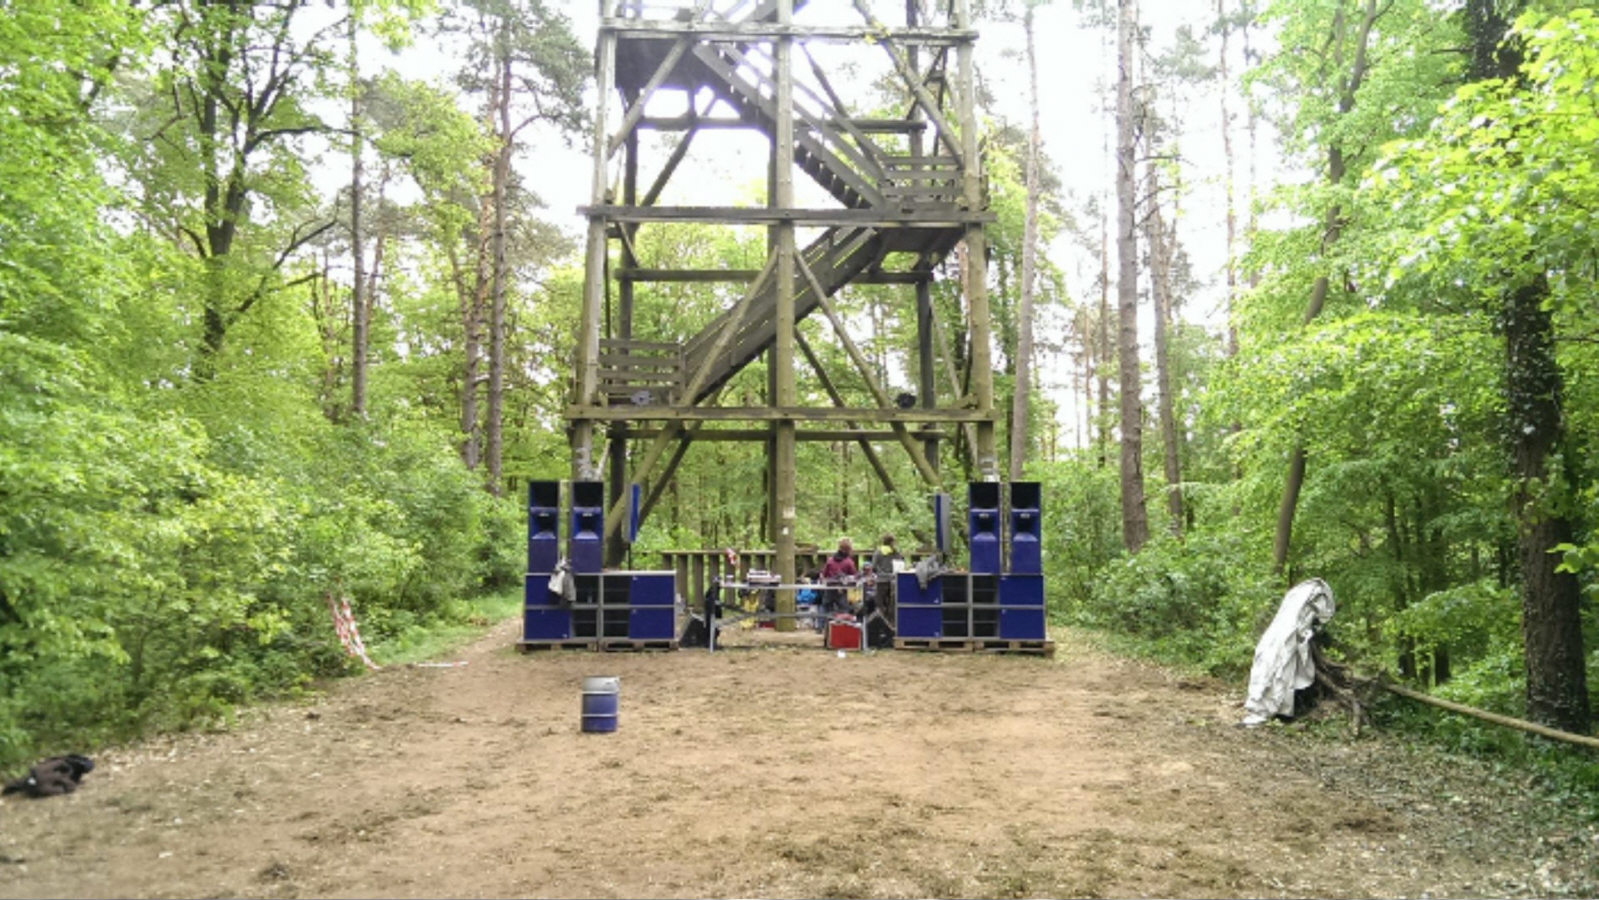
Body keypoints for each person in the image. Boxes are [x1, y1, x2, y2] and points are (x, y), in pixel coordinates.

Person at [870, 534, 904, 621]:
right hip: (893, 580)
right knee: (892, 603)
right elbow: (900, 565)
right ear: (891, 542)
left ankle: (881, 620)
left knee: (880, 602)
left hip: (881, 581)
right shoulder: (896, 553)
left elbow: (873, 567)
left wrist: (880, 573)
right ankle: (891, 621)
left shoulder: (878, 552)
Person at [819, 539, 857, 615]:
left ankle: (821, 622)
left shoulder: (830, 560)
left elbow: (823, 574)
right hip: (842, 591)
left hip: (829, 589)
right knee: (844, 610)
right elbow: (854, 576)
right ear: (848, 550)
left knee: (825, 608)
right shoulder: (848, 562)